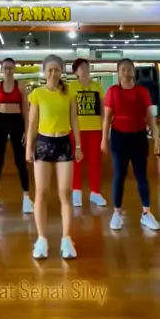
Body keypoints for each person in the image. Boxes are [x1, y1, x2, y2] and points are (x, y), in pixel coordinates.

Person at [26, 54, 82, 260]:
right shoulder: (37, 94)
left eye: (56, 69)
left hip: (64, 144)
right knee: (41, 192)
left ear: (61, 71)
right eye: (49, 70)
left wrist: (78, 146)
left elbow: (74, 121)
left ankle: (66, 238)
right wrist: (29, 147)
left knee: (65, 193)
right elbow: (32, 123)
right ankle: (42, 239)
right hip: (43, 143)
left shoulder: (69, 93)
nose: (53, 73)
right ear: (44, 71)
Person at [102, 58, 160, 232]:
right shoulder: (113, 91)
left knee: (141, 174)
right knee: (119, 175)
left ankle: (146, 213)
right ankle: (117, 212)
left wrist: (157, 137)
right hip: (119, 136)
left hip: (139, 136)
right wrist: (103, 139)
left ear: (134, 71)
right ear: (118, 72)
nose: (127, 72)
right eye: (123, 69)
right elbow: (107, 118)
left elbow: (150, 117)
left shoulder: (142, 91)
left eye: (129, 69)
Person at [0, 58, 33, 214]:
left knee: (20, 162)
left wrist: (27, 130)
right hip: (0, 122)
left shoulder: (21, 85)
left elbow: (26, 109)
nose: (8, 70)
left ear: (14, 69)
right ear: (1, 69)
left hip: (17, 122)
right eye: (5, 68)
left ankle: (26, 198)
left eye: (10, 68)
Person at [69, 58, 106, 208]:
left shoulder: (97, 86)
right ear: (76, 72)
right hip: (76, 130)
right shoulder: (71, 87)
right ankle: (76, 192)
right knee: (76, 162)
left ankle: (95, 192)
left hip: (95, 129)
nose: (85, 70)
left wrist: (105, 128)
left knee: (95, 161)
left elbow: (103, 109)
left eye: (86, 67)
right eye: (81, 67)